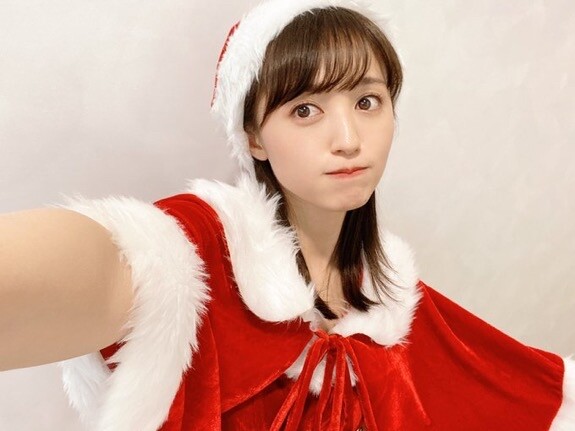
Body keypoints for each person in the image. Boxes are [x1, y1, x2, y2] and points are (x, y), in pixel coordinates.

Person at [0, 0, 573, 430]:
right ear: (253, 136)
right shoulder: (192, 256)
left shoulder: (401, 307)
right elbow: (105, 262)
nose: (348, 138)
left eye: (367, 102)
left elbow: (531, 392)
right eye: (305, 110)